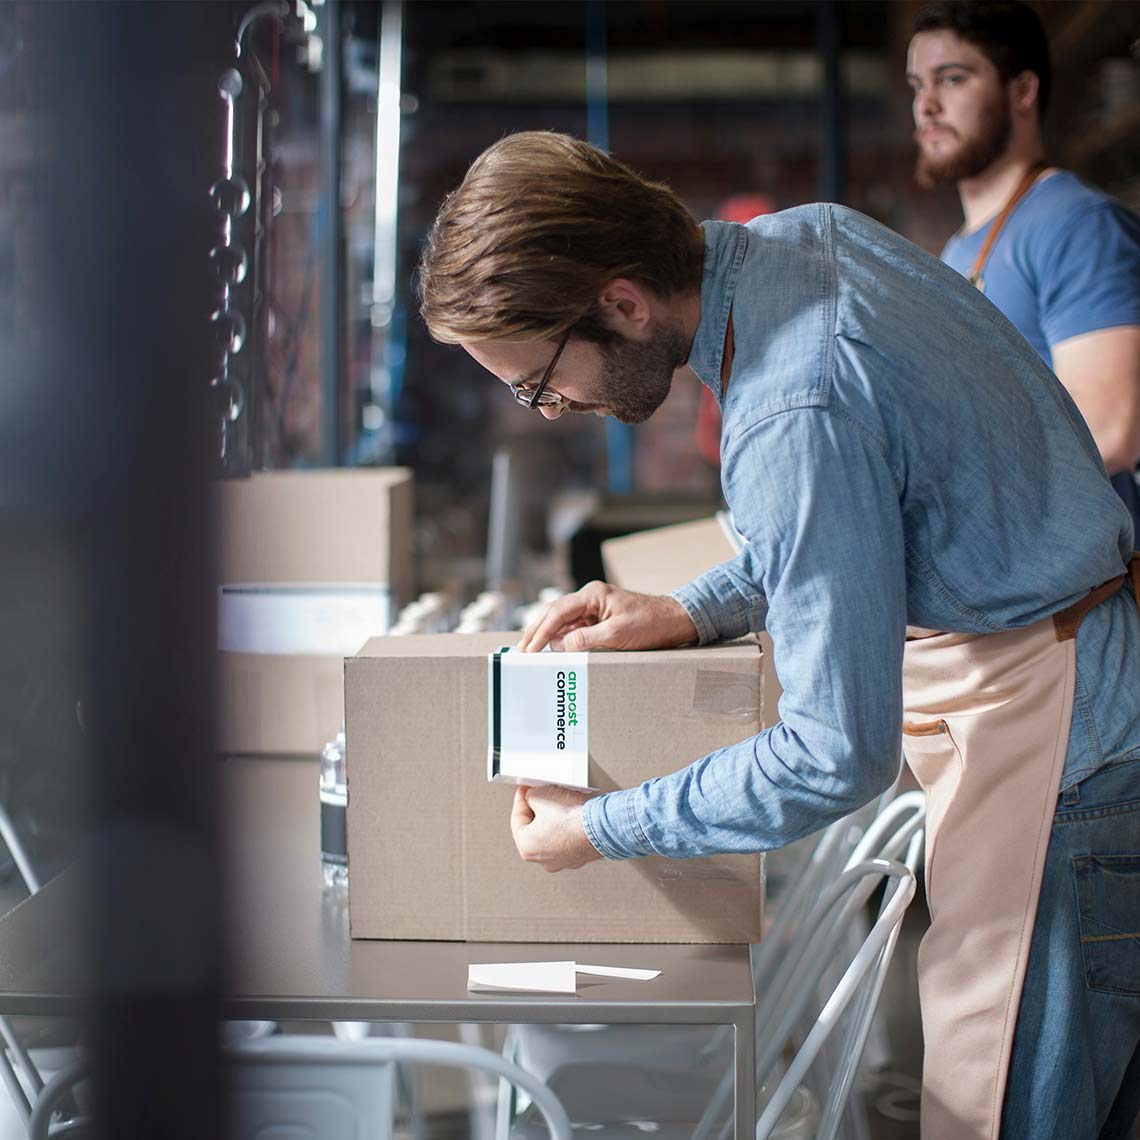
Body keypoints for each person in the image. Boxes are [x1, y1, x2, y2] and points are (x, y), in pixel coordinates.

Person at [418, 131, 1140, 1140]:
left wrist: (599, 827)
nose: (548, 412)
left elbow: (834, 755)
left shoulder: (788, 406)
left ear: (622, 301)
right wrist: (689, 607)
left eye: (538, 383)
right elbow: (867, 512)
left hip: (1064, 735)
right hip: (1071, 666)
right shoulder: (811, 242)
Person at [907, 0, 1140, 535]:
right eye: (919, 84)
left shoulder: (1078, 226)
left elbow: (1108, 431)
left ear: (1022, 91)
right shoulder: (958, 250)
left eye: (952, 79)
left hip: (1083, 598)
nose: (927, 106)